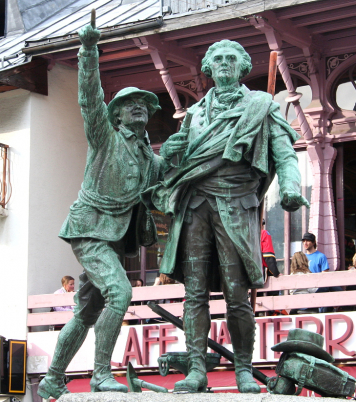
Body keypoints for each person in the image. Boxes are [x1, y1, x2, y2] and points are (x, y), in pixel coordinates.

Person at [143, 39, 309, 394]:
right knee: (195, 293)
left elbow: (285, 152)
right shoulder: (194, 114)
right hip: (195, 206)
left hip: (236, 203)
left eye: (230, 58)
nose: (222, 63)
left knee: (237, 294)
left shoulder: (260, 106)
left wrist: (292, 187)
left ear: (242, 66)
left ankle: (244, 370)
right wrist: (171, 152)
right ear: (207, 67)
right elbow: (181, 162)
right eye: (216, 59)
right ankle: (197, 371)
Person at [38, 14, 168, 400]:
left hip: (114, 239)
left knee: (86, 312)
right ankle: (99, 374)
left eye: (145, 105)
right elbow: (89, 97)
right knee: (121, 292)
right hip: (90, 228)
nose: (140, 109)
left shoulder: (151, 159)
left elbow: (168, 184)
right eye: (131, 105)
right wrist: (89, 50)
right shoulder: (103, 137)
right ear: (116, 115)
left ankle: (52, 378)